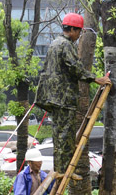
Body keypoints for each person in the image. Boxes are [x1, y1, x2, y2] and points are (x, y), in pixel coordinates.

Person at [35, 13, 111, 173]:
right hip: (63, 98)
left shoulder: (54, 43)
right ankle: (64, 172)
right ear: (72, 30)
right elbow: (74, 67)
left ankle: (59, 170)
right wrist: (95, 78)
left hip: (53, 98)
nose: (79, 36)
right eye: (79, 32)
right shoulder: (66, 44)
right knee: (66, 136)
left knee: (58, 135)